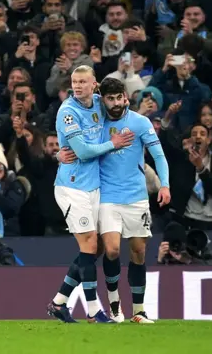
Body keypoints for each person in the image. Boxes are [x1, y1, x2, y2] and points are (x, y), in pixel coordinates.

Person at [47, 65, 133, 324]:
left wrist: (128, 104)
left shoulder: (98, 102)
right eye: (74, 81)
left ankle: (59, 303)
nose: (78, 86)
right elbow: (82, 152)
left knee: (94, 250)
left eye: (83, 81)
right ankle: (94, 310)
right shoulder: (68, 112)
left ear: (94, 84)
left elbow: (119, 111)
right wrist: (113, 144)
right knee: (89, 246)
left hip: (94, 186)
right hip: (72, 187)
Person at [95, 78, 171, 324]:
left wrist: (165, 184)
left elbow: (158, 155)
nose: (116, 103)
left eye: (119, 98)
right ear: (102, 99)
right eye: (110, 99)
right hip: (107, 197)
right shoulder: (96, 124)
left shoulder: (140, 123)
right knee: (112, 249)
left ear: (125, 96)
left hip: (136, 198)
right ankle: (115, 304)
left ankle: (138, 311)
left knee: (138, 252)